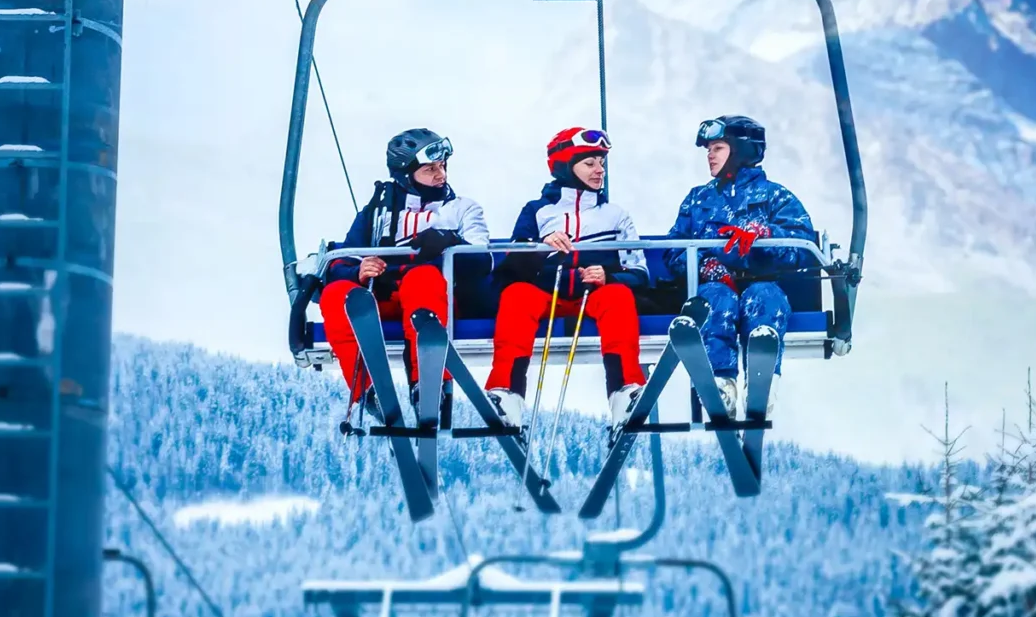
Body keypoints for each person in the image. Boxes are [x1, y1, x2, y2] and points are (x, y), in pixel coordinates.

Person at [312, 128, 492, 405]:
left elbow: (482, 261)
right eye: (429, 169)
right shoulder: (377, 213)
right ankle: (369, 392)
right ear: (406, 175)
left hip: (436, 297)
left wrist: (450, 240)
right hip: (383, 297)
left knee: (423, 277)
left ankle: (428, 383)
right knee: (337, 294)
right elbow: (341, 261)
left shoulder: (461, 209)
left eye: (442, 166)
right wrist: (357, 272)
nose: (440, 175)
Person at [489, 128, 651, 423]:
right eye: (590, 163)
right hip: (546, 293)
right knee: (516, 296)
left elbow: (639, 273)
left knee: (618, 297)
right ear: (565, 166)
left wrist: (610, 276)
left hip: (595, 295)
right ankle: (506, 393)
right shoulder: (538, 212)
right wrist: (540, 247)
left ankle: (624, 391)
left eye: (601, 163)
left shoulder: (615, 215)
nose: (599, 170)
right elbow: (511, 270)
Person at [660, 115, 816, 400]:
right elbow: (674, 249)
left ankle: (762, 381)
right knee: (714, 299)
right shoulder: (698, 200)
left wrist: (767, 236)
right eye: (708, 149)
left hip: (763, 281)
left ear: (741, 150)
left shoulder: (774, 197)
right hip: (716, 286)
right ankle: (721, 382)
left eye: (717, 148)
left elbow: (803, 247)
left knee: (764, 298)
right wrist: (705, 266)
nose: (709, 155)